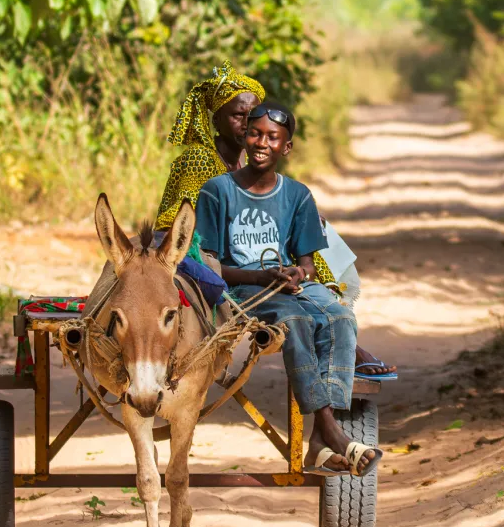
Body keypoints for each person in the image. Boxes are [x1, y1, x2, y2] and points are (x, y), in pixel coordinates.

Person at [153, 60, 396, 376]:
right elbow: (182, 220)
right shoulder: (200, 158)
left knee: (312, 227)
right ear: (216, 120)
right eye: (237, 115)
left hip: (240, 243)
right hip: (199, 254)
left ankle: (340, 335)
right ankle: (345, 346)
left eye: (251, 115)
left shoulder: (242, 160)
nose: (246, 123)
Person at [193, 102, 382, 477]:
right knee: (294, 320)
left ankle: (319, 437)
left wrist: (296, 273)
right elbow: (208, 266)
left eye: (272, 137)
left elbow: (308, 263)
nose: (261, 143)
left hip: (284, 285)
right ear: (244, 137)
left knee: (341, 317)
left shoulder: (297, 195)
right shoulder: (217, 191)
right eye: (254, 133)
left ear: (287, 147)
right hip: (243, 288)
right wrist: (261, 278)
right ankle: (331, 432)